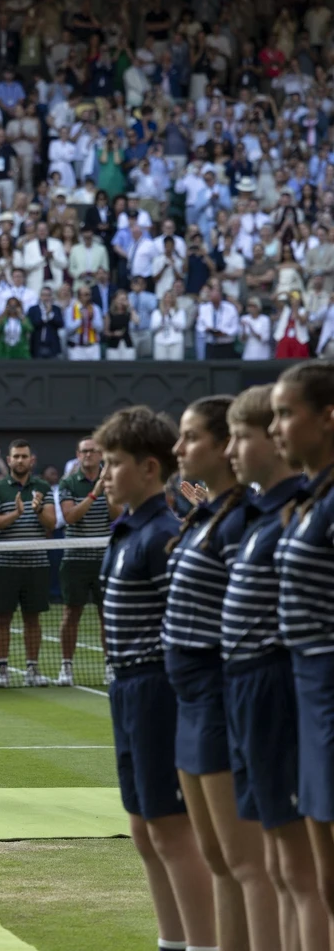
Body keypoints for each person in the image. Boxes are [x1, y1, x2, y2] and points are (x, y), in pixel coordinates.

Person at [93, 406, 217, 951]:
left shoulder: (164, 535)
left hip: (156, 688)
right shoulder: (127, 532)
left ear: (149, 468)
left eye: (115, 464)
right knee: (144, 829)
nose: (105, 474)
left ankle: (203, 942)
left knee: (170, 828)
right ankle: (171, 940)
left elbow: (187, 625)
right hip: (125, 686)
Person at [165, 396, 274, 950]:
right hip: (189, 699)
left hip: (221, 695)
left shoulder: (244, 523)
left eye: (191, 437)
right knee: (217, 859)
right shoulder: (207, 516)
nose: (178, 449)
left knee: (246, 863)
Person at [224, 385, 329, 949]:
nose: (281, 429)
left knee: (307, 870)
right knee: (282, 863)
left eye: (287, 417)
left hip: (294, 690)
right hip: (269, 689)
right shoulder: (286, 509)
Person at [272, 362, 334, 929]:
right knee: (316, 877)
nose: (276, 429)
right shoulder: (310, 499)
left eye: (287, 415)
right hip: (302, 694)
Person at [0, 440, 55, 687]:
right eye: (16, 456)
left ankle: (32, 670)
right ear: (9, 459)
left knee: (32, 619)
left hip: (36, 563)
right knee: (2, 619)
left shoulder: (42, 487)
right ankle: (2, 670)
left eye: (24, 456)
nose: (20, 460)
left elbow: (52, 524)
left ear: (31, 460)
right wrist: (15, 513)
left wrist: (37, 509)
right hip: (5, 564)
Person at [57, 437, 120, 687]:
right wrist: (95, 493)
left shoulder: (112, 480)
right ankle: (66, 667)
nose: (88, 455)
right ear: (78, 454)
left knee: (108, 615)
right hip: (75, 559)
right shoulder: (68, 483)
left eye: (93, 452)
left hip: (105, 558)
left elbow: (116, 515)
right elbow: (71, 517)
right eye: (84, 451)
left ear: (101, 454)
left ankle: (110, 665)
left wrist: (108, 489)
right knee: (71, 613)